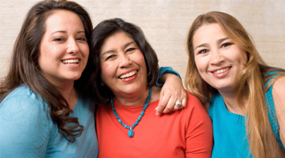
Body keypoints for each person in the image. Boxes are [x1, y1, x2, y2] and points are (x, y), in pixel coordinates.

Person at [0, 0, 186, 157]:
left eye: (81, 38)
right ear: (33, 50)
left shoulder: (87, 91)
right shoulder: (23, 109)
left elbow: (133, 74)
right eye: (59, 39)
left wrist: (170, 77)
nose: (74, 48)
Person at [90, 18, 213, 158]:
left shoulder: (186, 107)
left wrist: (171, 77)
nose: (125, 62)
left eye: (130, 49)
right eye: (110, 56)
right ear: (97, 72)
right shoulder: (91, 109)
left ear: (145, 55)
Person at [185, 11, 285, 158]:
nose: (216, 59)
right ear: (195, 62)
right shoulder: (206, 104)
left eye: (225, 44)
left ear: (246, 48)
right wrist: (169, 78)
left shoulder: (279, 90)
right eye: (203, 51)